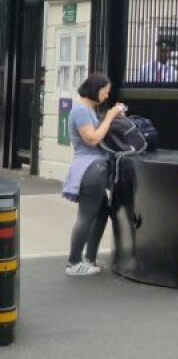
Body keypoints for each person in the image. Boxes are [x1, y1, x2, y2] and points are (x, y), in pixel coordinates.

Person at [63, 73, 123, 276]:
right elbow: (92, 139)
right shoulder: (81, 111)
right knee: (87, 215)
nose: (106, 97)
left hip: (93, 167)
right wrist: (109, 116)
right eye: (105, 92)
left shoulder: (88, 110)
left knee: (101, 212)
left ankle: (88, 258)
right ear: (95, 90)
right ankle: (74, 262)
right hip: (90, 168)